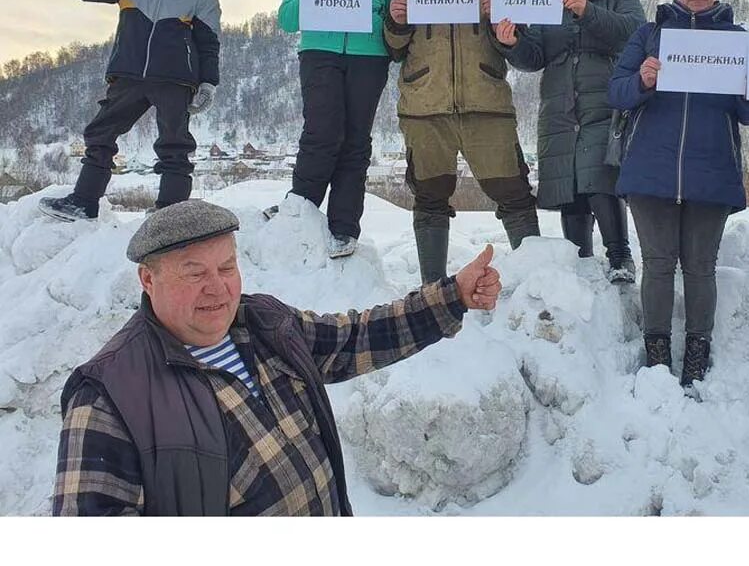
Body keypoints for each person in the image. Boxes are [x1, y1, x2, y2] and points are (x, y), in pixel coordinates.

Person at [52, 199, 501, 516]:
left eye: (227, 268)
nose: (218, 287)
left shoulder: (264, 325)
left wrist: (452, 297)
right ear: (147, 279)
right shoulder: (110, 396)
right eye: (195, 274)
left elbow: (356, 338)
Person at [607, 0, 749, 386]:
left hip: (710, 171)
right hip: (650, 171)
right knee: (658, 264)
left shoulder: (737, 38)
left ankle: (698, 350)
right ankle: (656, 351)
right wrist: (641, 80)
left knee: (701, 267)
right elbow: (617, 93)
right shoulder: (648, 34)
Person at [384, 0, 539, 284]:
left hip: (487, 109)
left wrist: (501, 19)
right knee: (430, 196)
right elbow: (393, 48)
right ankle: (431, 286)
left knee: (514, 192)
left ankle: (538, 281)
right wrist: (395, 19)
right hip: (425, 111)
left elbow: (522, 49)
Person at [38, 0, 221, 221]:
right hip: (129, 73)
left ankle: (170, 214)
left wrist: (208, 83)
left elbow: (209, 44)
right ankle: (84, 202)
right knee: (101, 134)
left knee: (175, 144)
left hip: (176, 80)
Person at [494, 0, 645, 283]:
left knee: (598, 177)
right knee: (570, 185)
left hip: (604, 103)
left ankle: (619, 255)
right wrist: (512, 41)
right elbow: (535, 55)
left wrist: (588, 11)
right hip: (559, 108)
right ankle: (579, 261)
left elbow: (634, 32)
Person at [270, 0, 404, 258]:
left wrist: (396, 13)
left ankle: (344, 227)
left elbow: (395, 12)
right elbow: (286, 17)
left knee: (356, 141)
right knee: (321, 131)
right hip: (320, 52)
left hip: (370, 55)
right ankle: (300, 207)